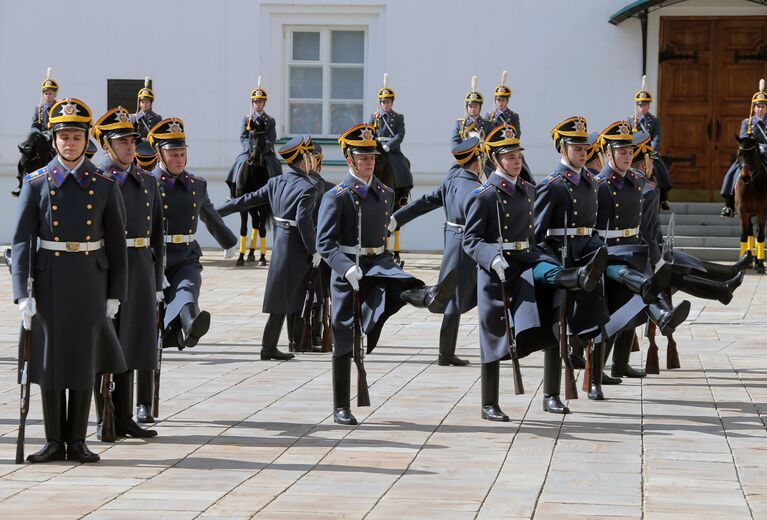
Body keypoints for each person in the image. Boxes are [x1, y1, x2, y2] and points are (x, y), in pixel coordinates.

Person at [463, 124, 608, 420]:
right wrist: (492, 258)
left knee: (554, 320)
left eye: (518, 156)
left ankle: (551, 395)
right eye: (510, 157)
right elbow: (471, 240)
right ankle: (488, 402)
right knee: (494, 337)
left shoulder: (528, 190)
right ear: (496, 160)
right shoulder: (484, 195)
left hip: (527, 259)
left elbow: (535, 234)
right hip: (498, 271)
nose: (517, 162)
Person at [317, 123, 457, 426]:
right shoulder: (336, 196)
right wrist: (345, 267)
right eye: (363, 158)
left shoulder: (385, 193)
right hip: (348, 268)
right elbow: (324, 244)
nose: (370, 163)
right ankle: (341, 404)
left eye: (372, 158)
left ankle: (429, 297)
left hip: (376, 262)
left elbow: (379, 239)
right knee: (343, 335)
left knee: (400, 283)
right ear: (349, 160)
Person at [12, 97, 128, 462]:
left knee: (81, 359)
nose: (70, 143)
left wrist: (115, 293)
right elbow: (20, 242)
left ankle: (76, 440)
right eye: (64, 136)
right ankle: (52, 440)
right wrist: (21, 294)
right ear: (54, 140)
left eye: (76, 136)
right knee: (50, 360)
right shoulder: (36, 183)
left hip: (90, 280)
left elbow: (117, 243)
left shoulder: (104, 184)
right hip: (49, 281)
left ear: (86, 140)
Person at [595, 121, 691, 385]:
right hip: (609, 254)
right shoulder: (598, 184)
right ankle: (595, 373)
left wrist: (654, 256)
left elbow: (645, 226)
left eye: (630, 152)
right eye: (622, 152)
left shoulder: (637, 181)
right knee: (612, 315)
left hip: (634, 251)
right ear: (608, 154)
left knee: (630, 310)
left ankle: (621, 362)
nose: (628, 157)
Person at [92, 106, 162, 437]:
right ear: (106, 146)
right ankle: (102, 414)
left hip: (139, 267)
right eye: (122, 142)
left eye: (133, 141)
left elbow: (158, 235)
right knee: (104, 344)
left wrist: (158, 276)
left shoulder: (147, 180)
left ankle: (124, 417)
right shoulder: (96, 180)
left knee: (132, 344)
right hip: (105, 268)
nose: (131, 147)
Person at [217, 136, 319, 360]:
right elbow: (304, 221)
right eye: (309, 158)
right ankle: (271, 346)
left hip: (281, 242)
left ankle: (272, 346)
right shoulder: (308, 187)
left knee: (282, 296)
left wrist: (215, 213)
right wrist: (314, 250)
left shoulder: (276, 182)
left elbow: (245, 200)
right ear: (302, 162)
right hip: (296, 246)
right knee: (294, 296)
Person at [389, 137, 486, 366]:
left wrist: (398, 218)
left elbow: (425, 202)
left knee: (452, 296)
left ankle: (446, 352)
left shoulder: (452, 181)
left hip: (454, 242)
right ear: (476, 162)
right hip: (469, 245)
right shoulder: (475, 189)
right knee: (476, 295)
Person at [148, 118, 238, 357]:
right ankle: (174, 330)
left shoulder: (196, 184)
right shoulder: (146, 183)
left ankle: (191, 325)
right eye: (173, 154)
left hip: (186, 254)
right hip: (155, 255)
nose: (178, 159)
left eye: (181, 154)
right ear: (159, 154)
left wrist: (228, 241)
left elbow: (209, 215)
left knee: (188, 289)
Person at [535, 116, 611, 400]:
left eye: (585, 148)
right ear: (562, 149)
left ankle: (594, 380)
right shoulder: (551, 185)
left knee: (597, 319)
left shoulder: (592, 182)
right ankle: (551, 393)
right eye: (577, 148)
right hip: (562, 261)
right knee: (557, 328)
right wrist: (551, 266)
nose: (584, 152)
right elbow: (538, 235)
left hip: (588, 259)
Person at [225, 77, 283, 261]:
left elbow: (272, 138)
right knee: (237, 164)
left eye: (260, 101)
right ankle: (233, 191)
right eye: (255, 102)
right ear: (252, 103)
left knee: (275, 166)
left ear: (264, 103)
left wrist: (262, 149)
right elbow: (243, 136)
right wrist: (248, 149)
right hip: (249, 151)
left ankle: (277, 191)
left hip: (264, 152)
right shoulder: (247, 119)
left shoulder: (270, 120)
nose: (258, 104)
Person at [369, 73, 413, 263]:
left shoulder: (398, 117)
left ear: (392, 102)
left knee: (402, 165)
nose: (385, 104)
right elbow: (369, 131)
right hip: (377, 148)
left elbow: (400, 134)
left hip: (391, 150)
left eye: (388, 101)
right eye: (383, 101)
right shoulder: (375, 116)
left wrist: (389, 146)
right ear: (379, 103)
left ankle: (402, 191)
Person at [720, 78, 767, 218]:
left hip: (765, 155)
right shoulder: (747, 123)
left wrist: (764, 148)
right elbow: (742, 140)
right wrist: (753, 148)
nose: (760, 109)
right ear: (754, 108)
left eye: (763, 106)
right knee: (732, 175)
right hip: (750, 155)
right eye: (758, 106)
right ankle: (728, 206)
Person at [629, 76, 672, 210]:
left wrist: (650, 152)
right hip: (634, 153)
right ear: (637, 105)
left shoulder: (654, 121)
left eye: (645, 104)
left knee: (660, 170)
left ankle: (663, 198)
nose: (642, 107)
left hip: (648, 152)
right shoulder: (630, 121)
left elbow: (657, 138)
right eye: (640, 104)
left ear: (648, 105)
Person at [486, 71, 534, 184]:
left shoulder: (513, 116)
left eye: (503, 100)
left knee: (523, 165)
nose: (500, 103)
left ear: (507, 101)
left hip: (509, 147)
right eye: (498, 100)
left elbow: (517, 134)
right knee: (485, 165)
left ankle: (530, 184)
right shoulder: (489, 116)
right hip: (494, 148)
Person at [32, 67, 58, 132]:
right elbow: (34, 126)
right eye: (46, 94)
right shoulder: (39, 109)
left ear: (55, 94)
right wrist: (37, 134)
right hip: (42, 138)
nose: (48, 96)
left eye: (50, 93)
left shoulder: (59, 108)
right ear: (43, 95)